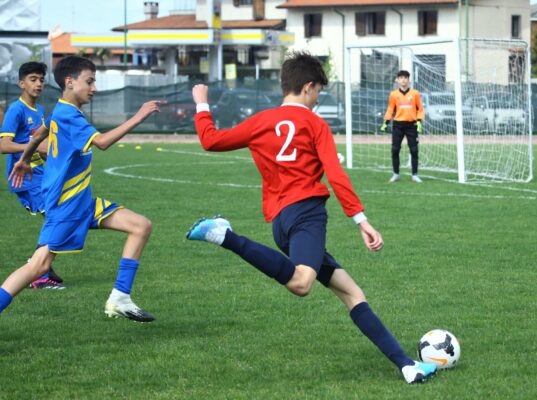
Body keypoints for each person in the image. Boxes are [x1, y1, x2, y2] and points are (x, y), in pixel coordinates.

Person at [187, 51, 437, 384]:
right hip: (307, 216)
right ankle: (224, 235)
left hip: (281, 223)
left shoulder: (261, 121)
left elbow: (210, 141)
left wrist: (202, 104)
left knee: (352, 293)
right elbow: (335, 175)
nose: (318, 98)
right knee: (302, 283)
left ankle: (407, 366)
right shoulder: (314, 124)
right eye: (318, 90)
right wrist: (361, 220)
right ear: (307, 87)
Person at [0, 56, 161, 322]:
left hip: (82, 203)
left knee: (140, 226)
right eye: (90, 81)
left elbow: (41, 131)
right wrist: (139, 116)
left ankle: (120, 297)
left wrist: (25, 158)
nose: (94, 88)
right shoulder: (69, 115)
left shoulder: (61, 111)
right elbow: (103, 142)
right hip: (66, 207)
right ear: (70, 82)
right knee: (38, 266)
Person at [0, 62, 65, 289]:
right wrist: (34, 147)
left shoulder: (38, 111)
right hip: (24, 178)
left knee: (56, 217)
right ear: (21, 83)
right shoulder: (16, 110)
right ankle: (39, 274)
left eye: (41, 80)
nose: (38, 84)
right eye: (33, 79)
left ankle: (43, 268)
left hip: (40, 175)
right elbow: (4, 145)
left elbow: (41, 145)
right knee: (56, 217)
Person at [380, 70, 424, 183]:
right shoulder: (394, 94)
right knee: (395, 150)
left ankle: (414, 175)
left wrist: (419, 121)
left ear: (409, 80)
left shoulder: (415, 93)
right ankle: (396, 174)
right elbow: (390, 109)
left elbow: (420, 109)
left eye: (405, 77)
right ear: (397, 80)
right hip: (398, 125)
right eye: (401, 78)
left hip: (411, 125)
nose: (403, 80)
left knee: (414, 150)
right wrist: (386, 122)